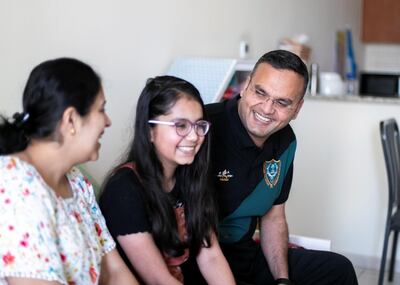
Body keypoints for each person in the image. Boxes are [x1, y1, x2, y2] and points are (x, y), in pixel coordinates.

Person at [205, 50, 358, 285]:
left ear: (297, 108)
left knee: (338, 270)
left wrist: (282, 280)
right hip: (200, 259)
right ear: (246, 86)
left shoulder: (286, 142)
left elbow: (274, 218)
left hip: (244, 257)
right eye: (260, 92)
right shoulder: (204, 126)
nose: (267, 109)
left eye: (282, 102)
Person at [0, 58, 139, 285]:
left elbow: (114, 273)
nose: (108, 121)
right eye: (101, 109)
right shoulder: (15, 186)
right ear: (71, 119)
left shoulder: (77, 181)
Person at [99, 75, 235, 285]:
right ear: (149, 130)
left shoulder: (190, 177)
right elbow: (158, 279)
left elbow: (211, 256)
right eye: (180, 126)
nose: (193, 136)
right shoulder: (123, 190)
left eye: (199, 125)